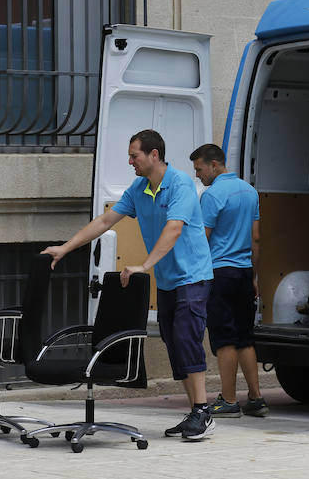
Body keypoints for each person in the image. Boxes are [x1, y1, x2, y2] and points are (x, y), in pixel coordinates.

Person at [43, 129, 216, 440]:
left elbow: (174, 229)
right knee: (172, 339)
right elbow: (106, 221)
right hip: (167, 280)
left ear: (153, 155)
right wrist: (66, 247)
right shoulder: (140, 188)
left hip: (193, 276)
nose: (129, 161)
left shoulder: (180, 185)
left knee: (186, 336)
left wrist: (145, 265)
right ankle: (195, 413)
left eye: (134, 155)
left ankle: (203, 410)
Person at [190, 144, 269, 418]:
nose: (198, 175)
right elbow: (256, 238)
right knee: (246, 338)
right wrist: (255, 276)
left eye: (199, 168)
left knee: (225, 339)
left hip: (220, 273)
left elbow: (203, 239)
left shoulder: (211, 196)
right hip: (245, 273)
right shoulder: (250, 191)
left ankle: (228, 399)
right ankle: (257, 399)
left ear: (214, 165)